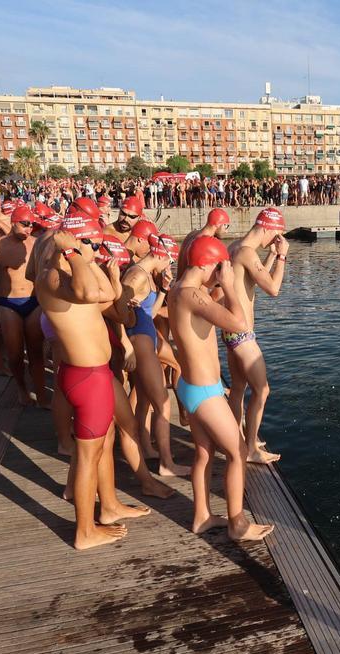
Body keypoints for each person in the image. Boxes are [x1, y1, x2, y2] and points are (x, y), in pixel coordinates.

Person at [35, 215, 148, 550]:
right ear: (73, 243)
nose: (95, 250)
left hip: (93, 374)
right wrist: (74, 253)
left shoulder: (68, 272)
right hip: (87, 377)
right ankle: (84, 531)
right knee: (88, 455)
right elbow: (89, 291)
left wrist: (102, 265)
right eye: (91, 243)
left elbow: (107, 294)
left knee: (103, 444)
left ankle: (109, 506)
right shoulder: (55, 274)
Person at [167, 235, 274, 542]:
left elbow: (205, 301)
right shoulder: (192, 296)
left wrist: (216, 284)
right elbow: (240, 325)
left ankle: (201, 516)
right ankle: (237, 523)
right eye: (218, 267)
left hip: (190, 386)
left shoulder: (180, 290)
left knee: (203, 453)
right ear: (207, 265)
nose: (221, 271)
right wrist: (229, 285)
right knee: (238, 453)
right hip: (206, 392)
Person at [120, 231, 190, 477]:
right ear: (161, 254)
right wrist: (126, 344)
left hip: (145, 332)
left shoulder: (146, 275)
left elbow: (150, 312)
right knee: (162, 403)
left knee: (145, 398)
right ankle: (166, 463)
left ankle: (147, 447)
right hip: (139, 339)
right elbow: (117, 309)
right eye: (169, 260)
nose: (169, 265)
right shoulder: (136, 275)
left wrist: (163, 289)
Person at [225, 208, 290, 464]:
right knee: (262, 390)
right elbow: (273, 288)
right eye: (276, 235)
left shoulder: (235, 247)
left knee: (239, 388)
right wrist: (283, 257)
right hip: (242, 335)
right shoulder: (247, 253)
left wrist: (272, 256)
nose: (275, 240)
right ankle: (250, 448)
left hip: (231, 331)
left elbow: (252, 280)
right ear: (266, 228)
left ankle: (238, 437)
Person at [0, 204, 47, 406]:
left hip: (34, 302)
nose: (29, 229)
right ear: (13, 222)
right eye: (25, 224)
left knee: (36, 352)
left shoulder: (37, 244)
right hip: (8, 303)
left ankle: (42, 394)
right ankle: (22, 389)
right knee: (15, 354)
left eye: (32, 225)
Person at [178, 207, 230, 277]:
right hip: (194, 287)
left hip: (179, 284)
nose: (227, 231)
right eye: (226, 226)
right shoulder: (205, 243)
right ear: (218, 224)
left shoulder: (191, 235)